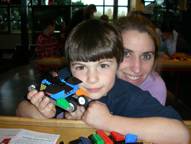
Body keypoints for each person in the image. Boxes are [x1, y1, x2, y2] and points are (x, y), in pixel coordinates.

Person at [16, 19, 190, 144]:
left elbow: (181, 135)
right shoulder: (66, 80)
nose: (92, 78)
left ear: (117, 62)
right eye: (81, 67)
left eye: (104, 65)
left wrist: (107, 121)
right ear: (71, 66)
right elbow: (21, 109)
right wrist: (43, 114)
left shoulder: (128, 96)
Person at [115, 13, 167, 105]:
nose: (137, 69)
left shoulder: (155, 87)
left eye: (146, 56)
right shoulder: (92, 82)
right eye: (126, 54)